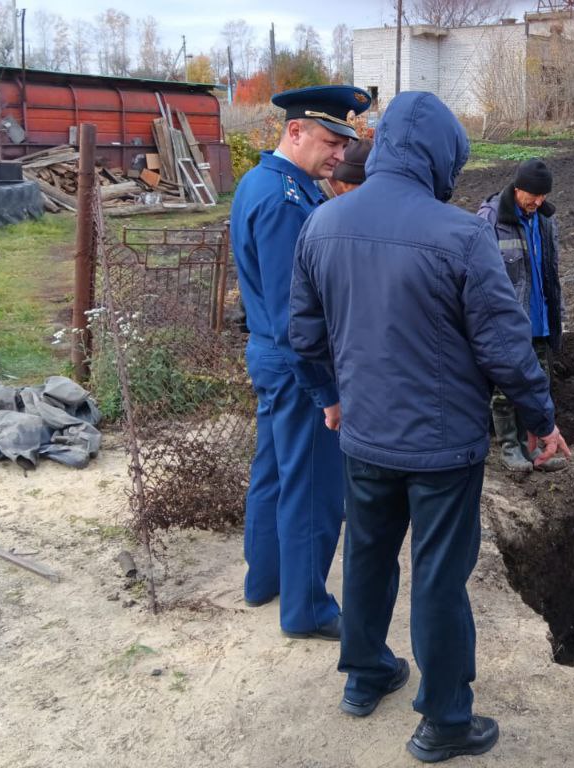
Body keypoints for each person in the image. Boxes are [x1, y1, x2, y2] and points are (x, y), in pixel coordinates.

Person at [289, 91, 572, 762]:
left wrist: (329, 393)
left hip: (364, 435)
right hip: (443, 449)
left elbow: (302, 333)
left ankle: (364, 676)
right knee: (439, 577)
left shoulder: (324, 223)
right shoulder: (463, 235)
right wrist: (540, 421)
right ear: (442, 157)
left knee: (365, 554)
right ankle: (444, 721)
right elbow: (506, 348)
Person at [229, 84, 371, 640]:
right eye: (331, 139)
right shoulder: (286, 201)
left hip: (271, 357)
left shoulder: (264, 183)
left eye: (344, 142)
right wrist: (326, 391)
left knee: (273, 471)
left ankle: (263, 580)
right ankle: (307, 608)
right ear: (295, 132)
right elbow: (299, 314)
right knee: (313, 487)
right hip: (296, 366)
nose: (340, 153)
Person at [477, 159, 568, 473]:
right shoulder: (490, 219)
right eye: (533, 195)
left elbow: (550, 274)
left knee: (538, 383)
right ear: (517, 189)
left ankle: (532, 450)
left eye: (544, 196)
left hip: (540, 319)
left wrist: (559, 315)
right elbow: (479, 278)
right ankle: (509, 448)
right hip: (508, 324)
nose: (539, 201)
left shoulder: (545, 221)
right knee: (506, 389)